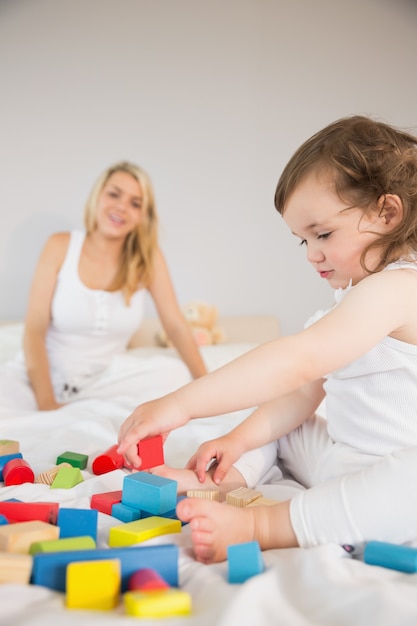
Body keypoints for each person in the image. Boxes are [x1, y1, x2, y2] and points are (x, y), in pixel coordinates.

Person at [118, 115, 417, 564]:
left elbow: (299, 361)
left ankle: (262, 524)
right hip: (342, 463)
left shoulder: (401, 288)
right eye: (303, 241)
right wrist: (238, 439)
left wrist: (181, 404)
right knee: (288, 421)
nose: (313, 254)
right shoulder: (349, 299)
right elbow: (301, 390)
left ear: (387, 213)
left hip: (390, 482)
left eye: (323, 234)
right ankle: (229, 476)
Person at [0, 161, 207, 411]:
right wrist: (47, 403)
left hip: (104, 382)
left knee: (174, 372)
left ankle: (86, 407)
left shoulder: (148, 259)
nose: (121, 206)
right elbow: (34, 329)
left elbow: (175, 326)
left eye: (135, 203)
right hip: (40, 380)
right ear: (98, 196)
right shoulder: (59, 246)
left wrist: (208, 386)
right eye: (114, 194)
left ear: (143, 215)